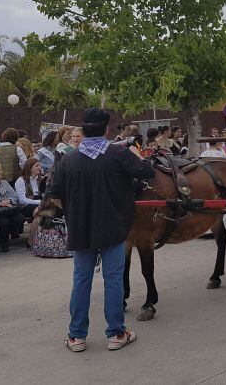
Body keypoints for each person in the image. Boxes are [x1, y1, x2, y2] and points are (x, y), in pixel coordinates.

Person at [47, 108, 155, 352]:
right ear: (106, 129)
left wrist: (74, 213)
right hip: (113, 228)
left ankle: (76, 337)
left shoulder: (69, 159)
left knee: (81, 280)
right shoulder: (118, 153)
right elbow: (147, 171)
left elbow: (53, 196)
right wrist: (135, 150)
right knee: (113, 279)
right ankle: (116, 333)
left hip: (81, 229)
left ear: (83, 130)